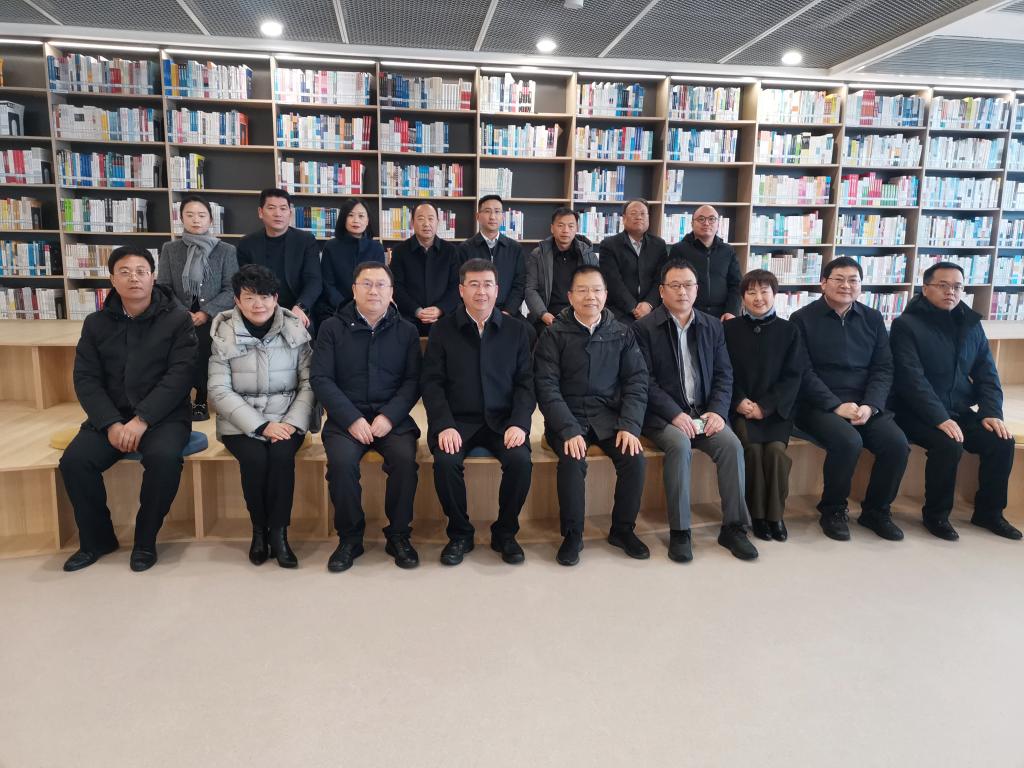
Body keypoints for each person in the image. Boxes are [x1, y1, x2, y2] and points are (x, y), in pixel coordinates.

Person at [59, 246, 197, 573]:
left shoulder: (177, 319)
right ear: (112, 279)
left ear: (153, 277)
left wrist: (142, 419)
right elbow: (86, 379)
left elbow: (180, 376)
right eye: (124, 272)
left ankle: (145, 540)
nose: (133, 278)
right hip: (111, 417)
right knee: (75, 462)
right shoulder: (95, 323)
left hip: (164, 417)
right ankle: (97, 540)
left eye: (140, 271)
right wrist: (110, 423)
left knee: (164, 460)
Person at [634, 259, 756, 562]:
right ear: (661, 291)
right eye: (674, 285)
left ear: (697, 289)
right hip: (662, 416)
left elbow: (724, 375)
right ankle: (680, 531)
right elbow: (643, 380)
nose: (682, 291)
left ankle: (734, 528)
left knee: (731, 445)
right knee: (679, 445)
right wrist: (675, 414)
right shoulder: (643, 328)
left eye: (688, 285)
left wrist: (717, 411)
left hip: (703, 412)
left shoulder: (712, 326)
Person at [890, 262, 1020, 541]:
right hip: (915, 411)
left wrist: (991, 412)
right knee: (948, 444)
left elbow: (987, 372)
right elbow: (911, 380)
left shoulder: (971, 325)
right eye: (943, 285)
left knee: (1001, 441)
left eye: (957, 286)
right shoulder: (906, 325)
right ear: (926, 288)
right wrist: (939, 417)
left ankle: (989, 513)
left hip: (958, 409)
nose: (951, 291)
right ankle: (936, 515)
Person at [422, 258, 535, 566]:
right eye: (473, 284)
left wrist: (519, 424)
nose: (481, 292)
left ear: (497, 290)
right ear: (461, 290)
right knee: (445, 462)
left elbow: (526, 384)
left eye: (487, 284)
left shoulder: (517, 330)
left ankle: (505, 533)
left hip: (503, 422)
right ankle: (460, 533)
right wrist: (444, 424)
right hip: (457, 421)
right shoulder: (443, 330)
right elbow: (432, 384)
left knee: (520, 461)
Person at [534, 265, 649, 566]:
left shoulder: (621, 332)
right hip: (567, 417)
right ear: (570, 296)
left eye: (596, 290)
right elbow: (546, 387)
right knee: (572, 460)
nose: (590, 297)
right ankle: (573, 535)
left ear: (606, 295)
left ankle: (622, 530)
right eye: (583, 290)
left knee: (634, 458)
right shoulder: (553, 334)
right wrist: (568, 428)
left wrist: (629, 425)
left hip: (608, 416)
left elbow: (637, 381)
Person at [311, 262, 422, 572]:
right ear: (354, 290)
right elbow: (321, 378)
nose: (374, 291)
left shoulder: (407, 330)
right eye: (367, 284)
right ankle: (350, 538)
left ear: (391, 292)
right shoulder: (331, 328)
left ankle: (398, 535)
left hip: (392, 419)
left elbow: (413, 381)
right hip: (346, 419)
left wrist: (389, 416)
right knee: (341, 465)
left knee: (404, 462)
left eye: (381, 285)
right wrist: (351, 418)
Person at [791, 256, 909, 542]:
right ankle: (833, 509)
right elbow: (802, 372)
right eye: (839, 279)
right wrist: (835, 405)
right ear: (823, 283)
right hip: (819, 404)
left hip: (865, 403)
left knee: (897, 444)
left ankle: (876, 511)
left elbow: (883, 368)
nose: (846, 285)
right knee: (848, 441)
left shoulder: (872, 318)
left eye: (853, 280)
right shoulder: (802, 319)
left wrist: (871, 405)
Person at [207, 264, 317, 569]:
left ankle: (279, 533)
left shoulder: (295, 329)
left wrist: (290, 423)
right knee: (255, 460)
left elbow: (310, 383)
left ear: (276, 298)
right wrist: (261, 425)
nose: (259, 304)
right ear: (237, 300)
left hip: (287, 418)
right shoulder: (223, 333)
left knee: (281, 458)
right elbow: (218, 389)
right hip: (240, 423)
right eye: (250, 297)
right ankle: (259, 531)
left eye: (265, 296)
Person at [723, 269, 804, 543]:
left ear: (775, 294)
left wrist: (766, 407)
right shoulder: (729, 329)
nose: (758, 298)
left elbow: (793, 376)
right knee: (753, 451)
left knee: (776, 453)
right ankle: (757, 516)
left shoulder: (789, 331)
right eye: (751, 292)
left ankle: (775, 516)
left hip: (776, 412)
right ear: (743, 297)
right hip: (741, 409)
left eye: (764, 291)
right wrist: (739, 402)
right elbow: (723, 371)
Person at [157, 194, 238, 421]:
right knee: (174, 349)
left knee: (205, 345)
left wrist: (206, 313)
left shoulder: (226, 250)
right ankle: (177, 398)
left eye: (201, 215)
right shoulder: (170, 249)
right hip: (177, 315)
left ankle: (201, 398)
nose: (196, 220)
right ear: (181, 218)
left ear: (210, 219)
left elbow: (231, 289)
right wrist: (181, 312)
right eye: (190, 215)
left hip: (213, 316)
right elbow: (163, 286)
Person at [236, 188, 322, 331]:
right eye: (271, 208)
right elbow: (244, 284)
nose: (278, 214)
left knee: (305, 330)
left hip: (296, 306)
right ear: (260, 212)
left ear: (290, 213)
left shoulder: (306, 241)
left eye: (283, 208)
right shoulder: (247, 243)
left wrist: (301, 306)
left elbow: (314, 280)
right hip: (261, 308)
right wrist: (261, 308)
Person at [525, 207, 598, 336]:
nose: (565, 230)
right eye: (560, 225)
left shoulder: (587, 255)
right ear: (552, 228)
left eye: (571, 226)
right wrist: (543, 314)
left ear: (576, 228)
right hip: (548, 315)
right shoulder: (538, 255)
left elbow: (597, 287)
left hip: (580, 314)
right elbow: (530, 289)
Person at [390, 202, 460, 336]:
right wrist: (416, 310)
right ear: (412, 222)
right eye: (421, 219)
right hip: (409, 317)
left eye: (431, 218)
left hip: (443, 317)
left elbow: (456, 286)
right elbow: (396, 287)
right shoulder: (400, 251)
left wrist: (439, 309)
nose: (426, 224)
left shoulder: (451, 251)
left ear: (438, 222)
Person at [314, 197, 385, 327]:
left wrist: (362, 306)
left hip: (369, 307)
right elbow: (327, 283)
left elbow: (379, 283)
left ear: (367, 220)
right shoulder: (331, 246)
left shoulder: (376, 248)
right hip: (335, 307)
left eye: (361, 216)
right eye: (350, 215)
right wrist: (347, 307)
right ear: (343, 219)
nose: (356, 220)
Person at [599, 198, 668, 323]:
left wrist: (649, 304)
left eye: (643, 213)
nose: (639, 217)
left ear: (648, 218)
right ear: (624, 218)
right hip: (620, 311)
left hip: (652, 310)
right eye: (634, 213)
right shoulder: (609, 245)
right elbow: (613, 281)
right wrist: (633, 307)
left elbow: (661, 278)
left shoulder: (659, 245)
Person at [668, 205, 741, 320]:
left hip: (722, 316)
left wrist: (732, 311)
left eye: (711, 219)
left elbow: (736, 285)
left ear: (718, 224)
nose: (706, 223)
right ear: (692, 224)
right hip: (689, 314)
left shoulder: (728, 251)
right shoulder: (679, 249)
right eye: (701, 219)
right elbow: (672, 283)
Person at [458, 195, 527, 317]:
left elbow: (519, 285)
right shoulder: (465, 249)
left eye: (497, 211)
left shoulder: (515, 249)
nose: (492, 217)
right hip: (474, 312)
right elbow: (460, 285)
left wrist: (508, 311)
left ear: (502, 217)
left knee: (527, 328)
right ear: (478, 216)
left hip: (507, 312)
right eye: (487, 211)